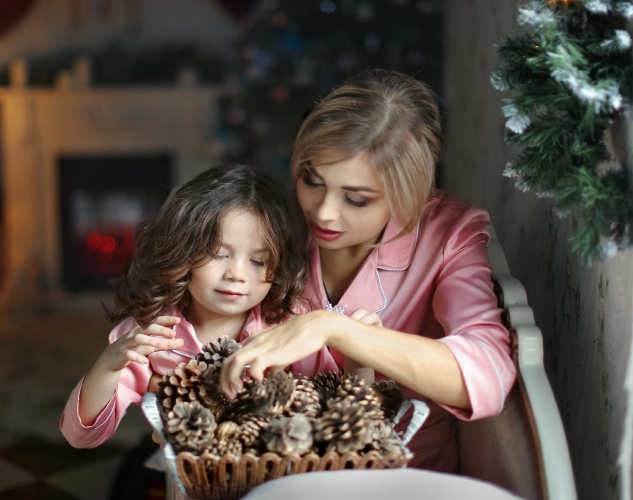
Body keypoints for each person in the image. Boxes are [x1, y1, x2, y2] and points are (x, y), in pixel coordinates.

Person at [219, 69, 517, 473]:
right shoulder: (269, 220)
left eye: (356, 199)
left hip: (405, 482)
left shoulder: (449, 234)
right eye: (312, 180)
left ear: (407, 194)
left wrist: (335, 329)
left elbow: (487, 374)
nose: (323, 212)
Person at [60, 164, 339, 449]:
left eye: (258, 261)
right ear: (183, 249)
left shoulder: (291, 325)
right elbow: (80, 435)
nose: (237, 274)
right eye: (219, 254)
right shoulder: (150, 334)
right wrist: (107, 367)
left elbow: (338, 413)